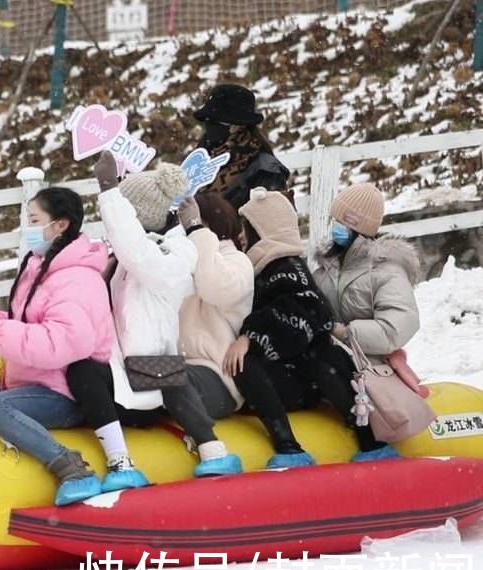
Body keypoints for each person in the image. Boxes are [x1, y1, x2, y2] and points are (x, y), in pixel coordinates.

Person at [0, 187, 116, 506]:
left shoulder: (78, 279)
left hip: (62, 392)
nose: (25, 228)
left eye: (33, 219)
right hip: (22, 381)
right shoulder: (38, 268)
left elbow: (60, 343)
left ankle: (71, 466)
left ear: (60, 225)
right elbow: (27, 324)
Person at [65, 152, 243, 489]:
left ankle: (210, 449)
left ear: (135, 216)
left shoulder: (171, 257)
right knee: (80, 368)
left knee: (158, 370)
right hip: (125, 372)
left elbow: (136, 250)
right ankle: (115, 456)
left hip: (153, 376)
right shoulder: (125, 258)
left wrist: (108, 190)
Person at [224, 187, 398, 469]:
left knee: (319, 360)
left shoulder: (286, 268)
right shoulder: (267, 267)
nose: (242, 236)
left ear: (262, 230)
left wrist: (250, 337)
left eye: (247, 228)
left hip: (310, 379)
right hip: (296, 378)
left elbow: (302, 315)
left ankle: (295, 446)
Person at [310, 183, 423, 383]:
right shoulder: (326, 267)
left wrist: (345, 333)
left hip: (373, 372)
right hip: (329, 366)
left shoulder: (387, 271)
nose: (333, 225)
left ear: (354, 225)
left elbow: (394, 330)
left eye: (339, 221)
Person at [176, 191, 254, 416]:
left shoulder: (237, 261)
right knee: (140, 375)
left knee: (167, 381)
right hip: (181, 365)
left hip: (220, 376)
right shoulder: (184, 260)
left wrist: (196, 231)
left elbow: (214, 287)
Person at [193, 83, 290, 209]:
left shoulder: (266, 171)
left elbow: (272, 221)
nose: (210, 126)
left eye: (217, 121)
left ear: (239, 125)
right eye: (207, 120)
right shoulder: (199, 161)